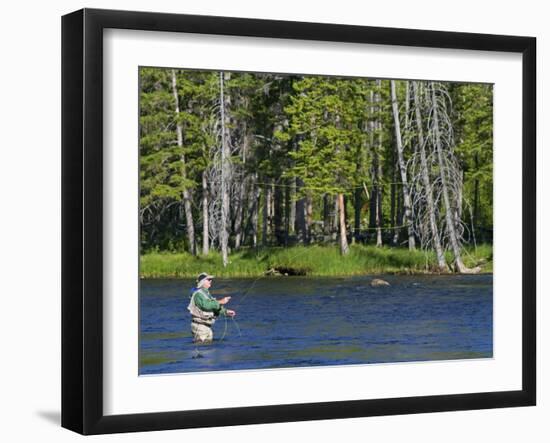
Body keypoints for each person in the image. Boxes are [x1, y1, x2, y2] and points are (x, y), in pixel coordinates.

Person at [187, 272, 236, 344]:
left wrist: (226, 312)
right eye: (208, 279)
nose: (211, 281)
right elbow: (206, 305)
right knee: (201, 349)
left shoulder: (206, 293)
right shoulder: (198, 294)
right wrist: (220, 302)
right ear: (202, 282)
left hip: (207, 327)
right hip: (200, 326)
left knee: (208, 350)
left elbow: (212, 307)